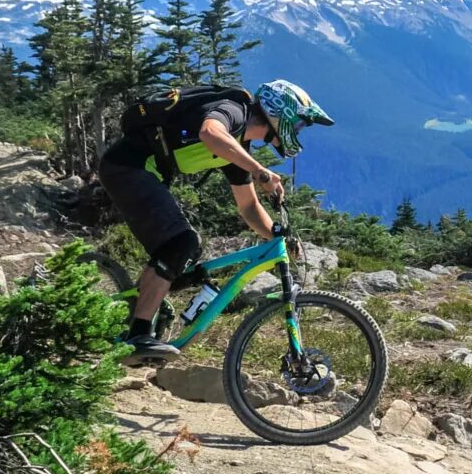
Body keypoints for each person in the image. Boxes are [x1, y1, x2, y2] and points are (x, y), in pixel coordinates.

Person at [97, 79, 333, 363]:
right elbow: (210, 132)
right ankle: (139, 334)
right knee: (181, 243)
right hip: (126, 168)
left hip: (144, 174)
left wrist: (278, 238)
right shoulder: (233, 111)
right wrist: (260, 172)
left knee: (182, 253)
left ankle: (141, 313)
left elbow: (248, 207)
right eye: (298, 124)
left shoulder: (237, 148)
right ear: (280, 114)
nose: (298, 132)